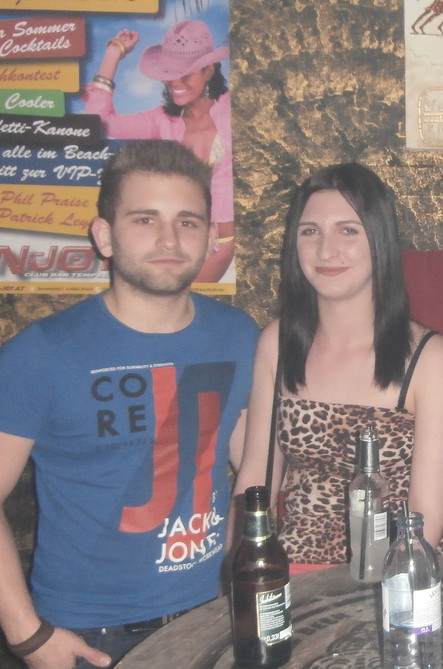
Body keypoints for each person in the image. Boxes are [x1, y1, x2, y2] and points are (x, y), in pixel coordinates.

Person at [0, 139, 258, 668]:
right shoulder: (41, 353)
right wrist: (29, 636)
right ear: (105, 235)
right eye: (145, 219)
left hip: (210, 620)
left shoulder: (239, 335)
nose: (169, 239)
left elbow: (255, 472)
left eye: (187, 221)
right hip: (88, 636)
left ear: (210, 237)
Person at [232, 163, 443, 572]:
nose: (326, 250)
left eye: (348, 230)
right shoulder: (277, 343)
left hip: (389, 569)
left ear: (379, 240)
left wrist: (391, 586)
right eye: (310, 231)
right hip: (291, 569)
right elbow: (256, 478)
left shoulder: (429, 358)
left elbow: (426, 514)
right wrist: (239, 573)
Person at [83, 19, 234, 284]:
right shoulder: (161, 120)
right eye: (169, 73)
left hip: (229, 247)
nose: (175, 82)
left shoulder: (236, 110)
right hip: (179, 247)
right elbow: (97, 122)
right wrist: (114, 52)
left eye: (185, 73)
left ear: (208, 71)